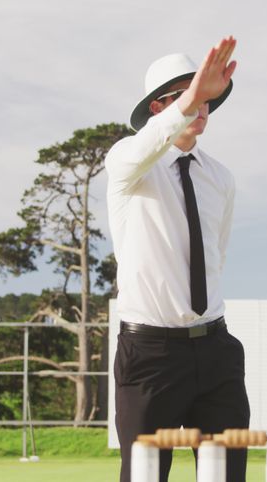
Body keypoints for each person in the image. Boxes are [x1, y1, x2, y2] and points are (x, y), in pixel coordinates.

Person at [105, 36, 250, 482]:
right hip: (150, 356)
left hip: (216, 350)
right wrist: (191, 97)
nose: (200, 109)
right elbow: (141, 148)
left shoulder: (220, 179)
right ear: (158, 109)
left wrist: (190, 96)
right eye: (187, 97)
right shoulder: (129, 164)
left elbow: (214, 257)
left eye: (207, 99)